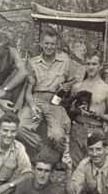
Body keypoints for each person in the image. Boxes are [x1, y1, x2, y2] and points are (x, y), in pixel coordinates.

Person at [18, 26, 72, 161]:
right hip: (36, 100)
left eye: (52, 44)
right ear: (41, 44)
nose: (49, 47)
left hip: (55, 102)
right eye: (46, 43)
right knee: (18, 127)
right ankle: (40, 147)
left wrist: (67, 87)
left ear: (57, 45)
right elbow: (28, 92)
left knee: (58, 135)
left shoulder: (65, 62)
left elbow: (74, 83)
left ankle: (59, 158)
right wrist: (32, 106)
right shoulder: (33, 62)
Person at [68, 49, 108, 169]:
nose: (91, 67)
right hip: (78, 130)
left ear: (100, 66)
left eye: (94, 64)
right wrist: (75, 110)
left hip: (96, 131)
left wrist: (101, 115)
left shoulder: (106, 89)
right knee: (75, 168)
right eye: (88, 64)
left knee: (94, 169)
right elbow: (69, 110)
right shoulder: (77, 87)